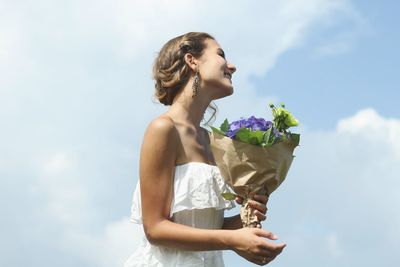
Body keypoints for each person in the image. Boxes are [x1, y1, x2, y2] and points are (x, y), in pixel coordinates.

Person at [125, 32, 286, 267]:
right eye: (221, 54)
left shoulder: (213, 142)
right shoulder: (163, 129)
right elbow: (156, 229)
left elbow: (204, 227)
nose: (232, 66)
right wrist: (233, 240)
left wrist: (244, 219)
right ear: (192, 61)